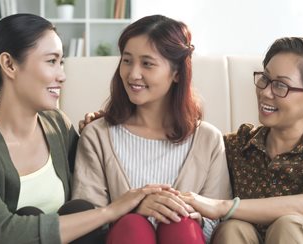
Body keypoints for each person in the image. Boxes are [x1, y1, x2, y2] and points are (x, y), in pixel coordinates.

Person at [0, 13, 171, 244]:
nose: (62, 76)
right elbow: (3, 234)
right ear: (9, 64)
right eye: (51, 61)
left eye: (61, 62)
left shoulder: (58, 125)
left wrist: (97, 134)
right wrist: (112, 211)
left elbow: (95, 184)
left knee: (80, 208)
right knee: (28, 216)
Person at [180, 37, 303, 244]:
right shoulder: (238, 146)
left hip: (301, 237)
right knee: (233, 228)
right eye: (265, 79)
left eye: (280, 86)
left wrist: (222, 206)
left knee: (287, 225)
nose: (265, 92)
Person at [72, 15, 232, 243]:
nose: (133, 74)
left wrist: (194, 217)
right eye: (127, 61)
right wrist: (135, 208)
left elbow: (218, 223)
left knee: (180, 223)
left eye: (147, 63)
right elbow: (86, 223)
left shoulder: (208, 140)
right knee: (133, 226)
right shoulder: (97, 135)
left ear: (177, 73)